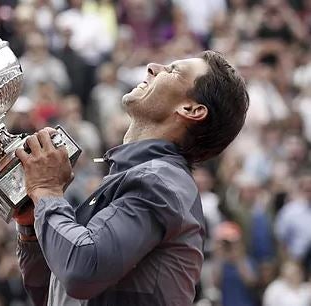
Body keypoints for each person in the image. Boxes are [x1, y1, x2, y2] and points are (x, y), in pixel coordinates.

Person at [13, 50, 249, 306]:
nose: (152, 66)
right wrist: (31, 224)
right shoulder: (136, 177)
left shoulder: (161, 182)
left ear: (191, 109)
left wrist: (47, 190)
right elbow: (53, 290)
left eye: (173, 71)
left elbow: (81, 270)